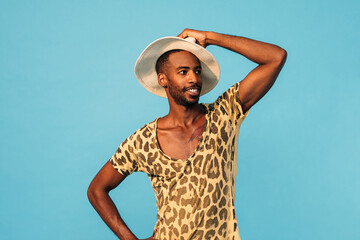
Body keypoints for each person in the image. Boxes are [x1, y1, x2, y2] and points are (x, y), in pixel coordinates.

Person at [87, 29, 287, 240]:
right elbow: (96, 190)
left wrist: (210, 38)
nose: (194, 78)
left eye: (198, 71)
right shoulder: (143, 141)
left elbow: (275, 57)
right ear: (163, 79)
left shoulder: (224, 114)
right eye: (183, 72)